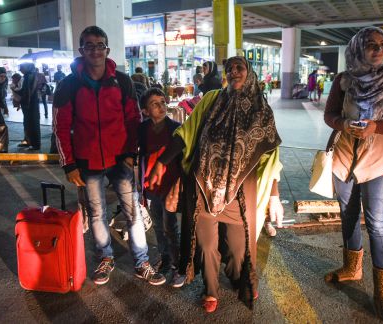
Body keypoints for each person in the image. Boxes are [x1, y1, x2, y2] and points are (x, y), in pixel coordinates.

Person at [149, 56, 285, 312]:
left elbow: (271, 155)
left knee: (238, 248)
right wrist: (162, 162)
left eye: (239, 68)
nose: (234, 72)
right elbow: (185, 134)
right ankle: (211, 289)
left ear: (250, 72)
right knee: (207, 244)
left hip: (241, 193)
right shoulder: (212, 100)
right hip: (203, 187)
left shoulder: (261, 110)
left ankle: (239, 278)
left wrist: (274, 195)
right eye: (230, 69)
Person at [53, 25, 165, 286]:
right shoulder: (68, 85)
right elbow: (60, 127)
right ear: (81, 50)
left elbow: (132, 119)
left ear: (107, 49)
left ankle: (142, 261)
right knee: (96, 213)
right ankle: (105, 258)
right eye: (89, 45)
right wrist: (69, 164)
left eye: (99, 45)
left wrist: (130, 153)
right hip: (87, 161)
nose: (95, 50)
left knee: (133, 211)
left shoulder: (122, 81)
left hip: (119, 159)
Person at [323, 27, 383, 324]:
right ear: (358, 48)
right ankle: (352, 268)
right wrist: (343, 124)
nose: (378, 49)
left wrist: (376, 128)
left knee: (378, 224)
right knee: (348, 216)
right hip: (345, 158)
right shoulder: (343, 80)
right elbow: (329, 115)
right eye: (371, 44)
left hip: (379, 161)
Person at [138, 88, 185, 287]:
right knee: (157, 224)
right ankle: (165, 258)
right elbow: (138, 156)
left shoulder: (176, 128)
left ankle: (178, 265)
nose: (161, 106)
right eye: (155, 104)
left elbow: (183, 156)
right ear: (145, 111)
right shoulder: (142, 129)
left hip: (169, 186)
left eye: (163, 102)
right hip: (151, 186)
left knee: (170, 226)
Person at [16, 63, 40, 150]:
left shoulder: (28, 77)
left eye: (22, 68)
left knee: (31, 123)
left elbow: (27, 92)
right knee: (29, 123)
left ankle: (34, 144)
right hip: (31, 103)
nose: (20, 70)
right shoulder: (31, 75)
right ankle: (30, 142)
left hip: (30, 104)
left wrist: (16, 91)